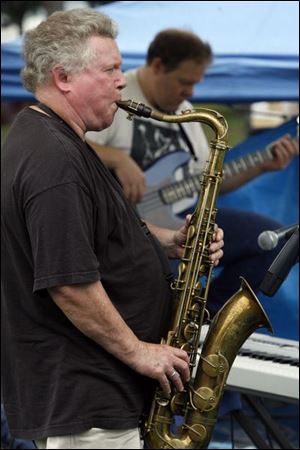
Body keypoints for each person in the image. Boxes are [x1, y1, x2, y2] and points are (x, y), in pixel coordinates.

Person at [1, 10, 224, 450]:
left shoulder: (62, 142)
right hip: (89, 400)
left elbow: (99, 232)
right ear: (64, 77)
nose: (123, 81)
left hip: (100, 393)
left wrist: (175, 244)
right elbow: (68, 283)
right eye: (111, 69)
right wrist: (140, 352)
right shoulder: (53, 160)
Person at [86, 28, 299, 314]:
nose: (191, 93)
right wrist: (117, 158)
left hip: (179, 221)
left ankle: (207, 316)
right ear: (158, 66)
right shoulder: (120, 95)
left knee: (274, 242)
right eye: (184, 83)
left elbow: (207, 182)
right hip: (122, 228)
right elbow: (71, 144)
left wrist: (262, 165)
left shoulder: (186, 111)